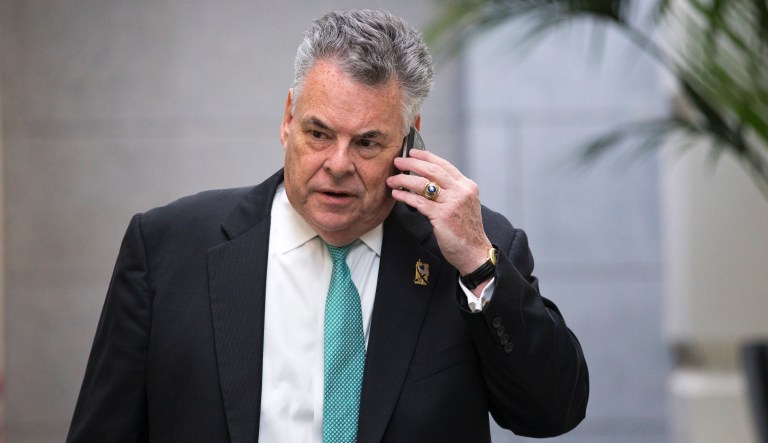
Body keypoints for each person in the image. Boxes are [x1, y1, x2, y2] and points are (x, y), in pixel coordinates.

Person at [67, 9, 588, 443]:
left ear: (409, 140)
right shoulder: (166, 248)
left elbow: (552, 412)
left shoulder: (471, 248)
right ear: (288, 118)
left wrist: (476, 263)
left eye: (366, 143)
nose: (338, 164)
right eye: (318, 133)